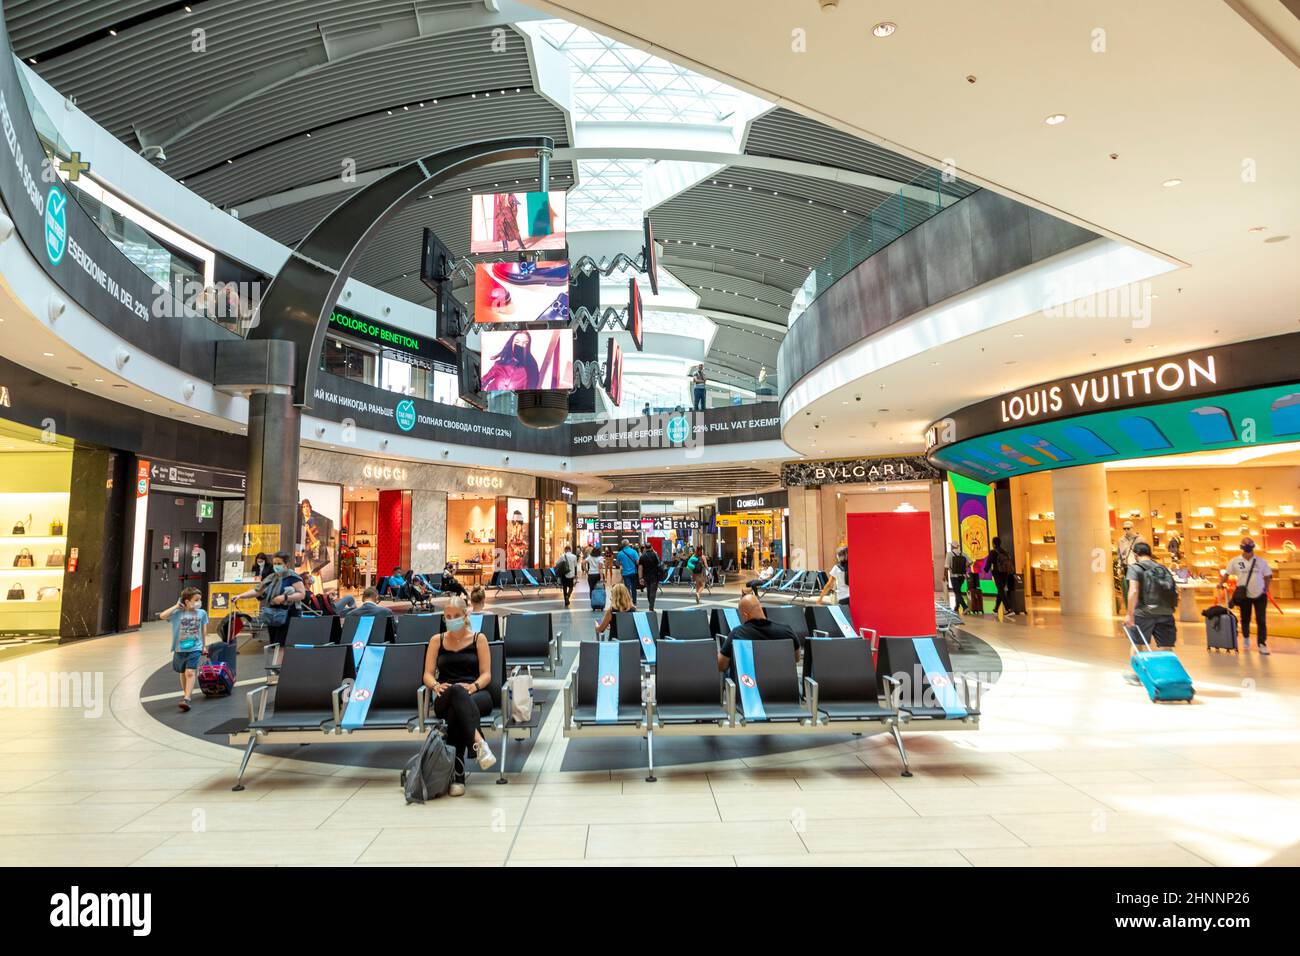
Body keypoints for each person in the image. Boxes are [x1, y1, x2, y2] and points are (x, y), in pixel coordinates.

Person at [422, 598, 497, 796]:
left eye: (456, 616)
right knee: (455, 691)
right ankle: (479, 743)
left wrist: (473, 686)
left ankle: (459, 777)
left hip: (476, 694)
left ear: (465, 616)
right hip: (444, 695)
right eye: (448, 616)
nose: (452, 619)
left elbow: (486, 674)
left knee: (457, 709)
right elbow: (427, 674)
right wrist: (436, 685)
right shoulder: (436, 640)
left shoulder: (478, 639)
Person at [235, 552, 306, 648]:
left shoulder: (292, 577)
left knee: (282, 644)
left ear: (286, 564)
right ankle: (276, 662)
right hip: (272, 614)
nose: (276, 566)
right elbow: (258, 591)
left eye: (279, 563)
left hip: (288, 614)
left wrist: (285, 597)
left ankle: (280, 662)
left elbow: (302, 594)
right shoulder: (272, 577)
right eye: (275, 564)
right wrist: (240, 596)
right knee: (274, 643)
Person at [717, 594, 799, 672]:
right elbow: (796, 658)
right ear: (761, 609)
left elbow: (721, 665)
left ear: (745, 615)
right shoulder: (786, 630)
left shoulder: (737, 634)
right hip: (783, 683)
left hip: (750, 684)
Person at [159, 587, 208, 712]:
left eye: (200, 600)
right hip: (179, 648)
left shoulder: (202, 613)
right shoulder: (177, 613)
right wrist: (176, 606)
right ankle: (186, 693)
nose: (199, 602)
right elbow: (162, 616)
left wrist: (204, 646)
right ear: (186, 601)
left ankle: (187, 698)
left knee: (190, 672)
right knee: (182, 672)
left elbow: (203, 630)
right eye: (196, 600)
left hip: (195, 648)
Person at [1124, 542, 1179, 650]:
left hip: (1143, 613)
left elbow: (1133, 591)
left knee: (1137, 645)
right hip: (1166, 612)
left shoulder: (1134, 568)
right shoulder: (1162, 568)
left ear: (1135, 555)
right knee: (1166, 647)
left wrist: (1129, 614)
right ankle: (1166, 667)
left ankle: (1141, 667)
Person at [1225, 538, 1272, 655]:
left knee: (1261, 619)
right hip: (1244, 595)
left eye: (1249, 544)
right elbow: (1227, 574)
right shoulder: (1235, 561)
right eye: (1245, 545)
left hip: (1260, 594)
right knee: (1245, 618)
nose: (1247, 547)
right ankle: (1246, 637)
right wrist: (1221, 583)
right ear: (1241, 547)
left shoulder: (1261, 561)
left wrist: (1266, 588)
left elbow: (1267, 576)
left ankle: (1262, 643)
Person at [987, 537, 1015, 619]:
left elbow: (988, 563)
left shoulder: (993, 552)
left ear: (994, 543)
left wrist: (985, 570)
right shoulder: (1004, 551)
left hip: (997, 573)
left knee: (1001, 590)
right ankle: (996, 609)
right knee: (1001, 590)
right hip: (1005, 573)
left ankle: (1008, 609)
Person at [615, 539, 640, 607]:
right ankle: (634, 601)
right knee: (634, 587)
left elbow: (617, 563)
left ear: (622, 545)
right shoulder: (634, 552)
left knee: (627, 588)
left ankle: (628, 601)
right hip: (633, 572)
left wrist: (622, 564)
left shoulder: (620, 553)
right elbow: (638, 562)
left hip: (625, 573)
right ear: (628, 544)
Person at [945, 541, 969, 612]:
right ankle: (957, 606)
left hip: (953, 576)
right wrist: (964, 567)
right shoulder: (963, 554)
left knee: (957, 592)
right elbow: (970, 561)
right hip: (962, 576)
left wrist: (944, 575)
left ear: (952, 546)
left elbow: (946, 566)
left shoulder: (949, 554)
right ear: (957, 546)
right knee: (958, 591)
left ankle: (965, 607)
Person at [638, 543, 662, 612]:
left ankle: (650, 603)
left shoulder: (642, 556)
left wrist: (640, 578)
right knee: (653, 591)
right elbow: (659, 564)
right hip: (655, 576)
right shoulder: (655, 555)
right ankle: (651, 605)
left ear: (645, 548)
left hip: (646, 576)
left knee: (648, 590)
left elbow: (640, 568)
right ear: (651, 547)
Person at [556, 542, 579, 608]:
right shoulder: (574, 556)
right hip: (571, 574)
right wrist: (575, 574)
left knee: (565, 587)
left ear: (565, 550)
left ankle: (566, 600)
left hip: (564, 574)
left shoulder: (562, 556)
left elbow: (557, 563)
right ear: (570, 550)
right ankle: (567, 596)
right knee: (571, 587)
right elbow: (575, 566)